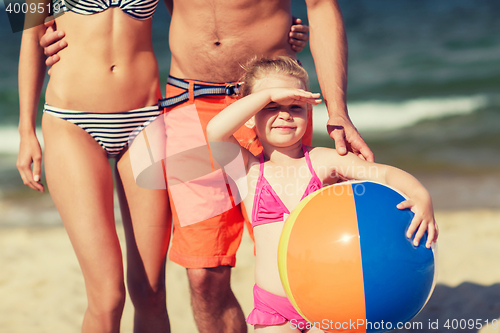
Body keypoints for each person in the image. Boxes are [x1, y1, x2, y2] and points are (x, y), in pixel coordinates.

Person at [40, 1, 375, 332]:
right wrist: (39, 27)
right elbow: (36, 8)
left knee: (293, 256)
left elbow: (321, 8)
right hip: (190, 105)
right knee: (203, 274)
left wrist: (338, 110)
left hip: (274, 106)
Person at [206, 57, 439, 332]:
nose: (285, 115)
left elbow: (384, 174)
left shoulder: (321, 161)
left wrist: (420, 194)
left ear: (308, 112)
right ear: (249, 118)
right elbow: (215, 131)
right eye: (271, 107)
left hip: (330, 301)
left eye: (295, 107)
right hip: (274, 308)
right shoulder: (247, 169)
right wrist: (266, 93)